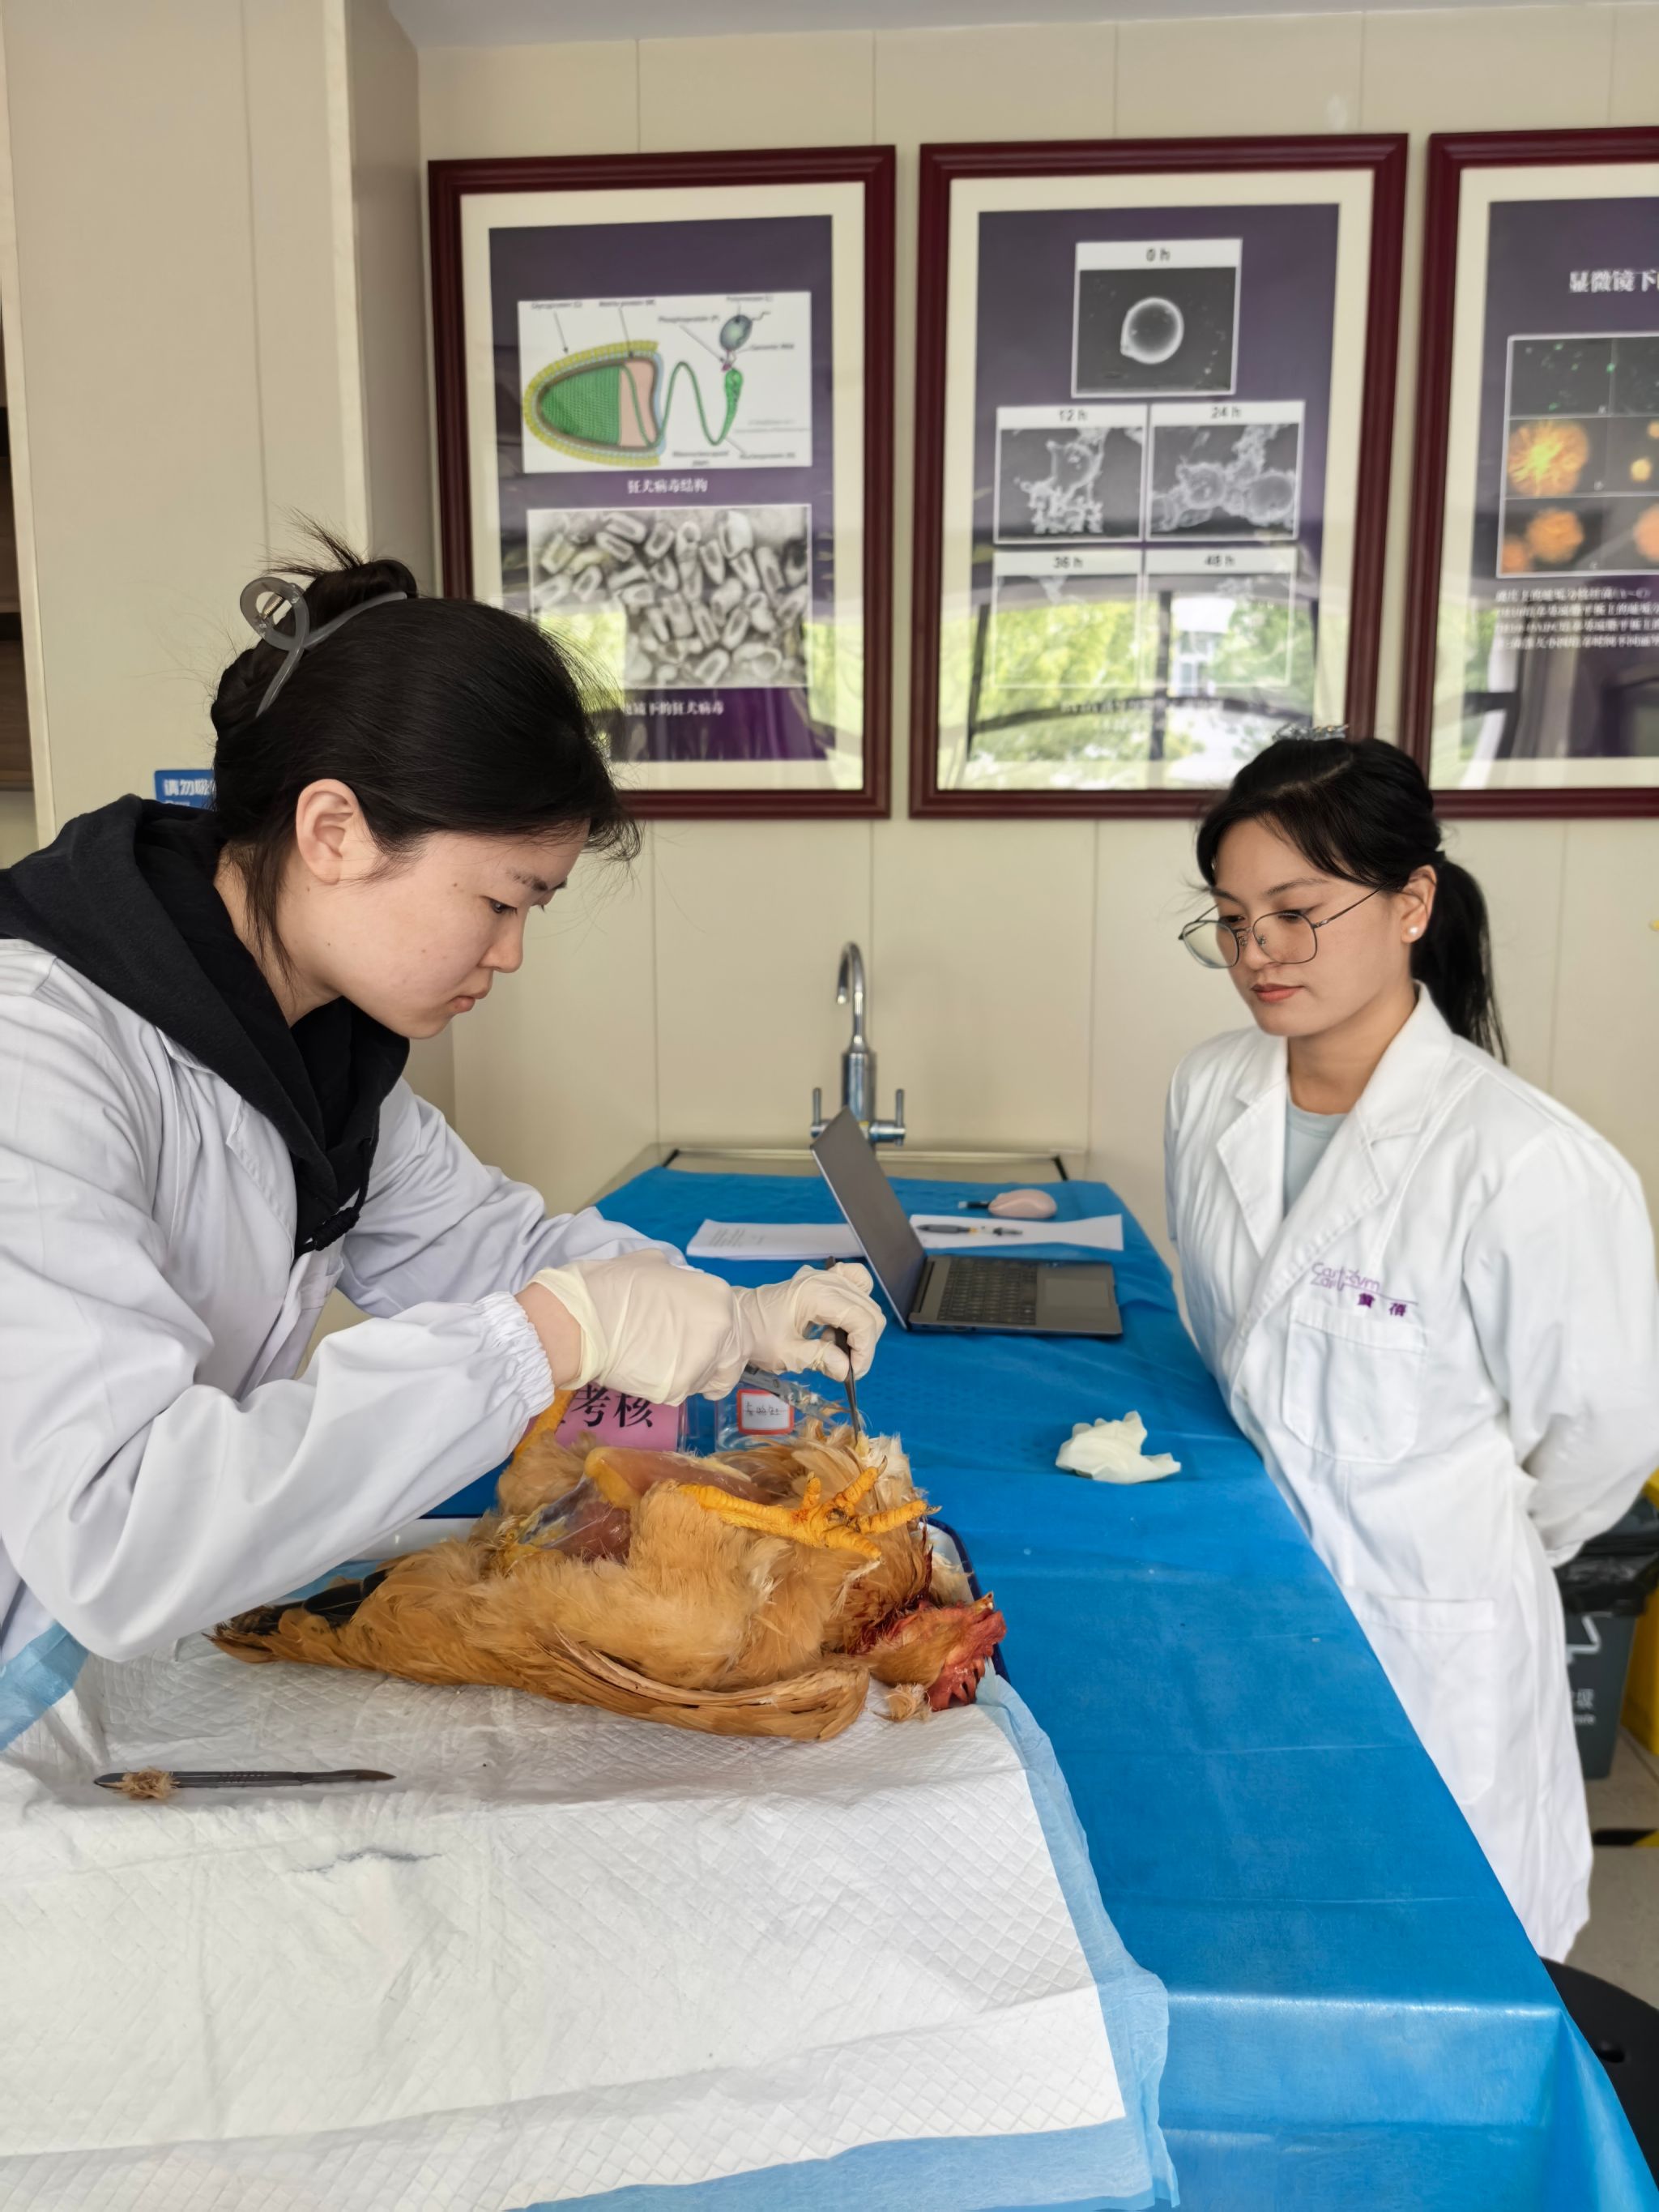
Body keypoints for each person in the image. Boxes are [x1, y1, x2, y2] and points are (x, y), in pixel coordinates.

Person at [0, 543, 883, 1669]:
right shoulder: (37, 1053)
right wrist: (548, 1337)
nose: (509, 953)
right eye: (501, 901)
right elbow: (117, 1532)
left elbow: (487, 1248)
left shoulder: (312, 1039)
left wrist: (734, 1322)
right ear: (333, 832)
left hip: (118, 1653)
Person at [1164, 731, 1659, 1959]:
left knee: (1428, 1973)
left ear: (1412, 903)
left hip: (1428, 1650)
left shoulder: (1529, 1164)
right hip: (1246, 1612)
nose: (1258, 952)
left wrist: (1450, 1544)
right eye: (1231, 920)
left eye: (1296, 913)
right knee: (1253, 1942)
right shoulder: (1208, 1093)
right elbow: (1231, 1346)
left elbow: (1600, 1447)